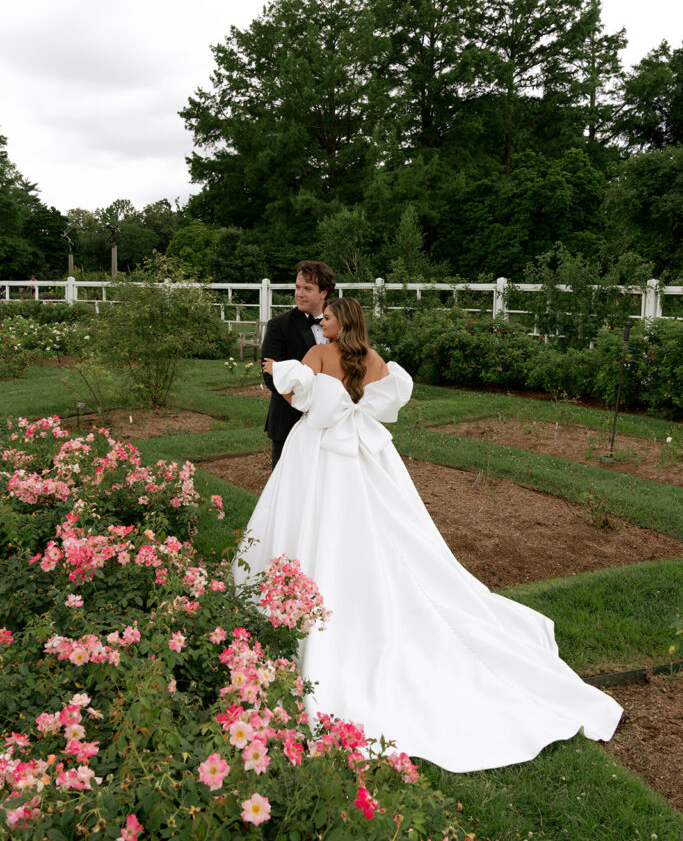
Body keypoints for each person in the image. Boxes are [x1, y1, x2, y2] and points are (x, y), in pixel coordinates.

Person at [237, 297, 622, 773]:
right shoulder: (375, 362)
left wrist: (281, 371)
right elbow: (375, 399)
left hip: (317, 454)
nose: (321, 323)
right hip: (361, 456)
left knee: (312, 521)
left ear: (342, 323)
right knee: (382, 526)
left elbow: (298, 399)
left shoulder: (317, 356)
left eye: (328, 318)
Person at [261, 260, 336, 468]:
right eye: (297, 287)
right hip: (288, 422)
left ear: (324, 292)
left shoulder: (342, 323)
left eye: (307, 288)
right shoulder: (279, 326)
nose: (299, 293)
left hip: (333, 425)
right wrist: (305, 403)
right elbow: (271, 376)